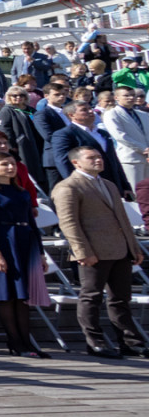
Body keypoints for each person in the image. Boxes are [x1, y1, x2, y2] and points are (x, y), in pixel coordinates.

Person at [51, 145, 148, 358]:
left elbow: (122, 219)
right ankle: (95, 342)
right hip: (93, 251)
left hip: (120, 250)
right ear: (76, 162)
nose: (98, 160)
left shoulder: (109, 185)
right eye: (91, 157)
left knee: (121, 298)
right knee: (91, 296)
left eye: (99, 157)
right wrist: (82, 251)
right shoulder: (68, 187)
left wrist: (133, 247)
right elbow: (69, 223)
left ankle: (130, 341)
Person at [0, 151, 52, 359]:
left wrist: (41, 253)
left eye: (12, 164)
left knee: (23, 296)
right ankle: (15, 342)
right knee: (6, 294)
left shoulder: (22, 192)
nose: (10, 168)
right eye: (4, 164)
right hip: (3, 241)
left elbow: (33, 225)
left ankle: (27, 342)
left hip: (25, 242)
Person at [49, 100, 132, 200]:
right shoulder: (65, 134)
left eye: (90, 108)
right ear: (71, 115)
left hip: (112, 185)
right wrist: (76, 186)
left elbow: (114, 160)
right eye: (84, 110)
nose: (90, 111)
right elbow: (63, 161)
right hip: (89, 185)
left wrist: (125, 185)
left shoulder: (102, 133)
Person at [101, 85, 149, 194]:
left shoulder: (143, 114)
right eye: (126, 96)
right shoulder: (112, 114)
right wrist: (144, 149)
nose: (131, 98)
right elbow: (120, 136)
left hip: (147, 158)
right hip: (131, 159)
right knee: (137, 192)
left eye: (132, 95)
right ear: (116, 98)